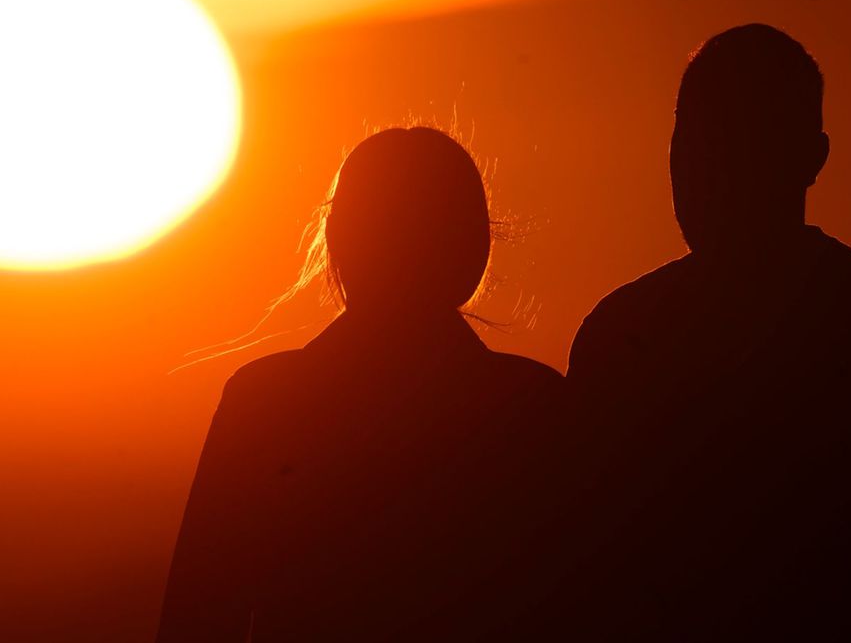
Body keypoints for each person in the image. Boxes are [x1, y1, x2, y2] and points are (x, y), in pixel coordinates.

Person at [562, 24, 851, 640]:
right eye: (692, 135)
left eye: (736, 139)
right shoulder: (616, 341)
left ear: (811, 159)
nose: (703, 165)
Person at [156, 127, 563, 643]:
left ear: (338, 240)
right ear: (476, 246)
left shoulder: (264, 402)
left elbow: (196, 616)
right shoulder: (534, 406)